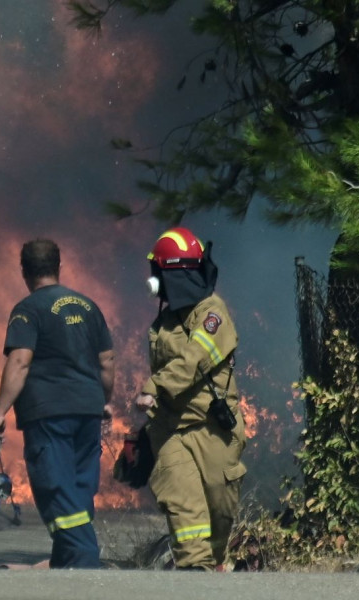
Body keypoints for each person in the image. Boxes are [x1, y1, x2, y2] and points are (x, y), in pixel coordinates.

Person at [0, 238, 116, 569]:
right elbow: (107, 361)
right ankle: (65, 566)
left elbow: (19, 362)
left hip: (49, 414)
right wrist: (103, 400)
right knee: (79, 490)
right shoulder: (89, 307)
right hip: (88, 411)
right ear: (58, 266)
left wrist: (0, 411)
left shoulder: (28, 310)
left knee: (57, 490)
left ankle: (87, 567)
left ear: (24, 271)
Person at [132, 226, 246, 571]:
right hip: (169, 432)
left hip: (212, 430)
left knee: (219, 514)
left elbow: (195, 359)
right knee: (186, 517)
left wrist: (154, 387)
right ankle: (193, 573)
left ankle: (211, 568)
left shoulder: (213, 313)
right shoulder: (163, 322)